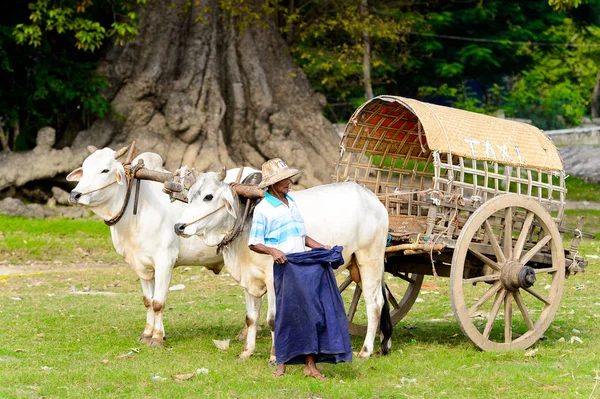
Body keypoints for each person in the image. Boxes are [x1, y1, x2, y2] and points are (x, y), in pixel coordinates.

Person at [248, 158, 352, 381]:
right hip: (286, 267)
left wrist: (320, 246)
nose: (288, 182)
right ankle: (281, 364)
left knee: (311, 313)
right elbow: (254, 242)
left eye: (288, 178)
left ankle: (310, 365)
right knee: (287, 315)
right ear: (272, 184)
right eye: (283, 180)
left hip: (304, 264)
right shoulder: (263, 209)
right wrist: (273, 251)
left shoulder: (291, 202)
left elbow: (301, 236)